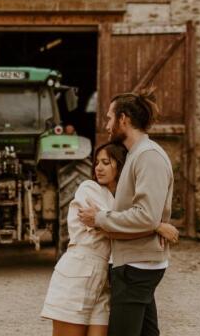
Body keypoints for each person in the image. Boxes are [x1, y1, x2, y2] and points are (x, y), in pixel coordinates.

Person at [40, 142, 179, 336]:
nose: (98, 167)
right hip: (78, 275)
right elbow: (109, 224)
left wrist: (144, 220)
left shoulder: (125, 200)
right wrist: (156, 225)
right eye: (97, 162)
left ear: (121, 166)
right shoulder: (89, 188)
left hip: (107, 281)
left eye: (106, 162)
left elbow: (125, 220)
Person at [78, 89, 173, 336]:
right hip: (136, 263)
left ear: (124, 119)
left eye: (110, 118)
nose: (106, 124)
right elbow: (148, 217)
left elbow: (145, 216)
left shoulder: (148, 157)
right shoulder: (136, 155)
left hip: (137, 266)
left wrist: (98, 218)